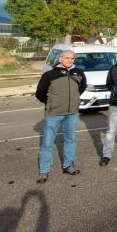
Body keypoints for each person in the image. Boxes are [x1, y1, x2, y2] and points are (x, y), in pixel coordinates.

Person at [35, 49, 87, 183]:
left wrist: (73, 100)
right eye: (67, 58)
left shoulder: (79, 73)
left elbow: (81, 88)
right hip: (53, 113)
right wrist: (51, 103)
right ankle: (44, 170)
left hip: (72, 113)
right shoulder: (49, 74)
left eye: (72, 58)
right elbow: (40, 92)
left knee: (70, 140)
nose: (70, 60)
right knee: (47, 143)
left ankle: (68, 165)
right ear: (60, 59)